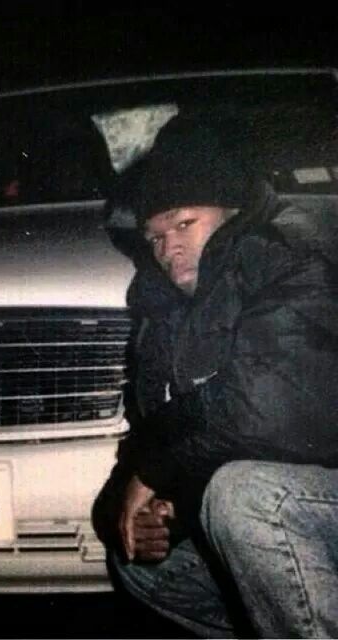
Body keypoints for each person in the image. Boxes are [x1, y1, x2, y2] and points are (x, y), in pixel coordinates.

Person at [92, 117, 338, 637]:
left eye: (185, 224)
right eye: (155, 236)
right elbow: (152, 431)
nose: (169, 247)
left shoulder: (290, 252)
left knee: (247, 497)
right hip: (295, 504)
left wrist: (159, 472)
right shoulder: (165, 308)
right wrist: (132, 508)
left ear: (230, 212)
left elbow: (271, 411)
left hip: (321, 495)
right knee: (143, 563)